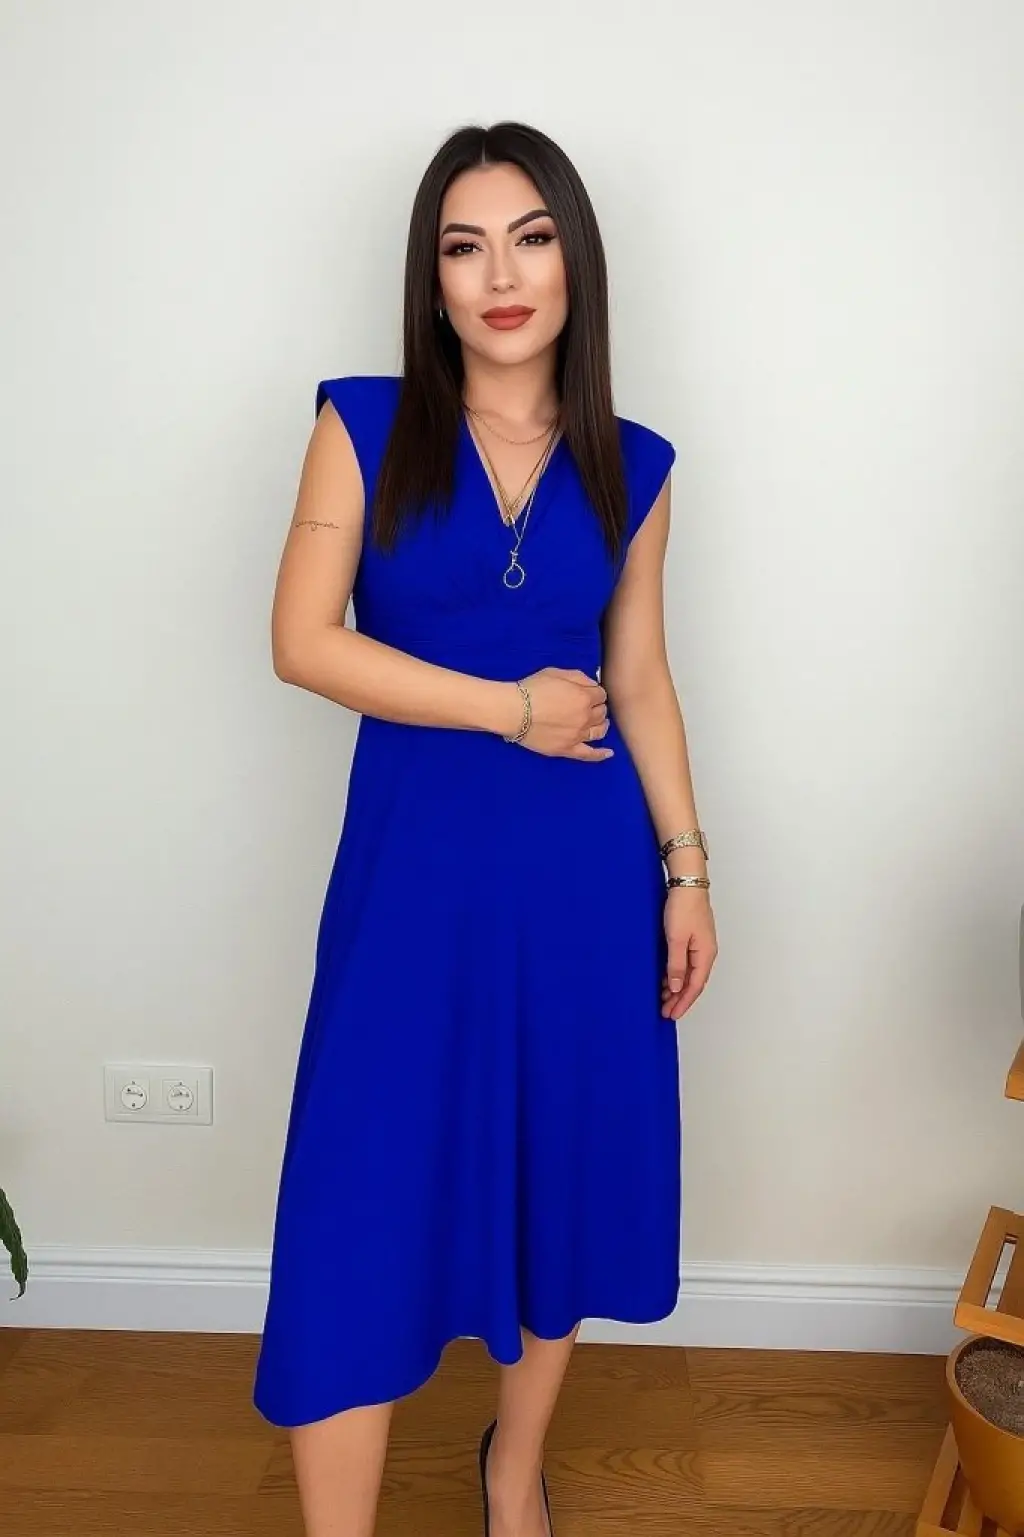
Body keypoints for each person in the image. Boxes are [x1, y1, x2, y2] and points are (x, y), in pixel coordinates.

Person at [252, 119, 718, 1537]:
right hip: (412, 885)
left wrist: (688, 870)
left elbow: (640, 676)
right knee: (360, 1198)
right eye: (466, 247)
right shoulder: (363, 426)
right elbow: (302, 642)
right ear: (432, 277)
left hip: (583, 880)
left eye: (531, 239)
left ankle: (512, 1476)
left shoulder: (635, 464)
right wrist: (508, 708)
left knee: (556, 1175)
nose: (501, 277)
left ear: (577, 261)